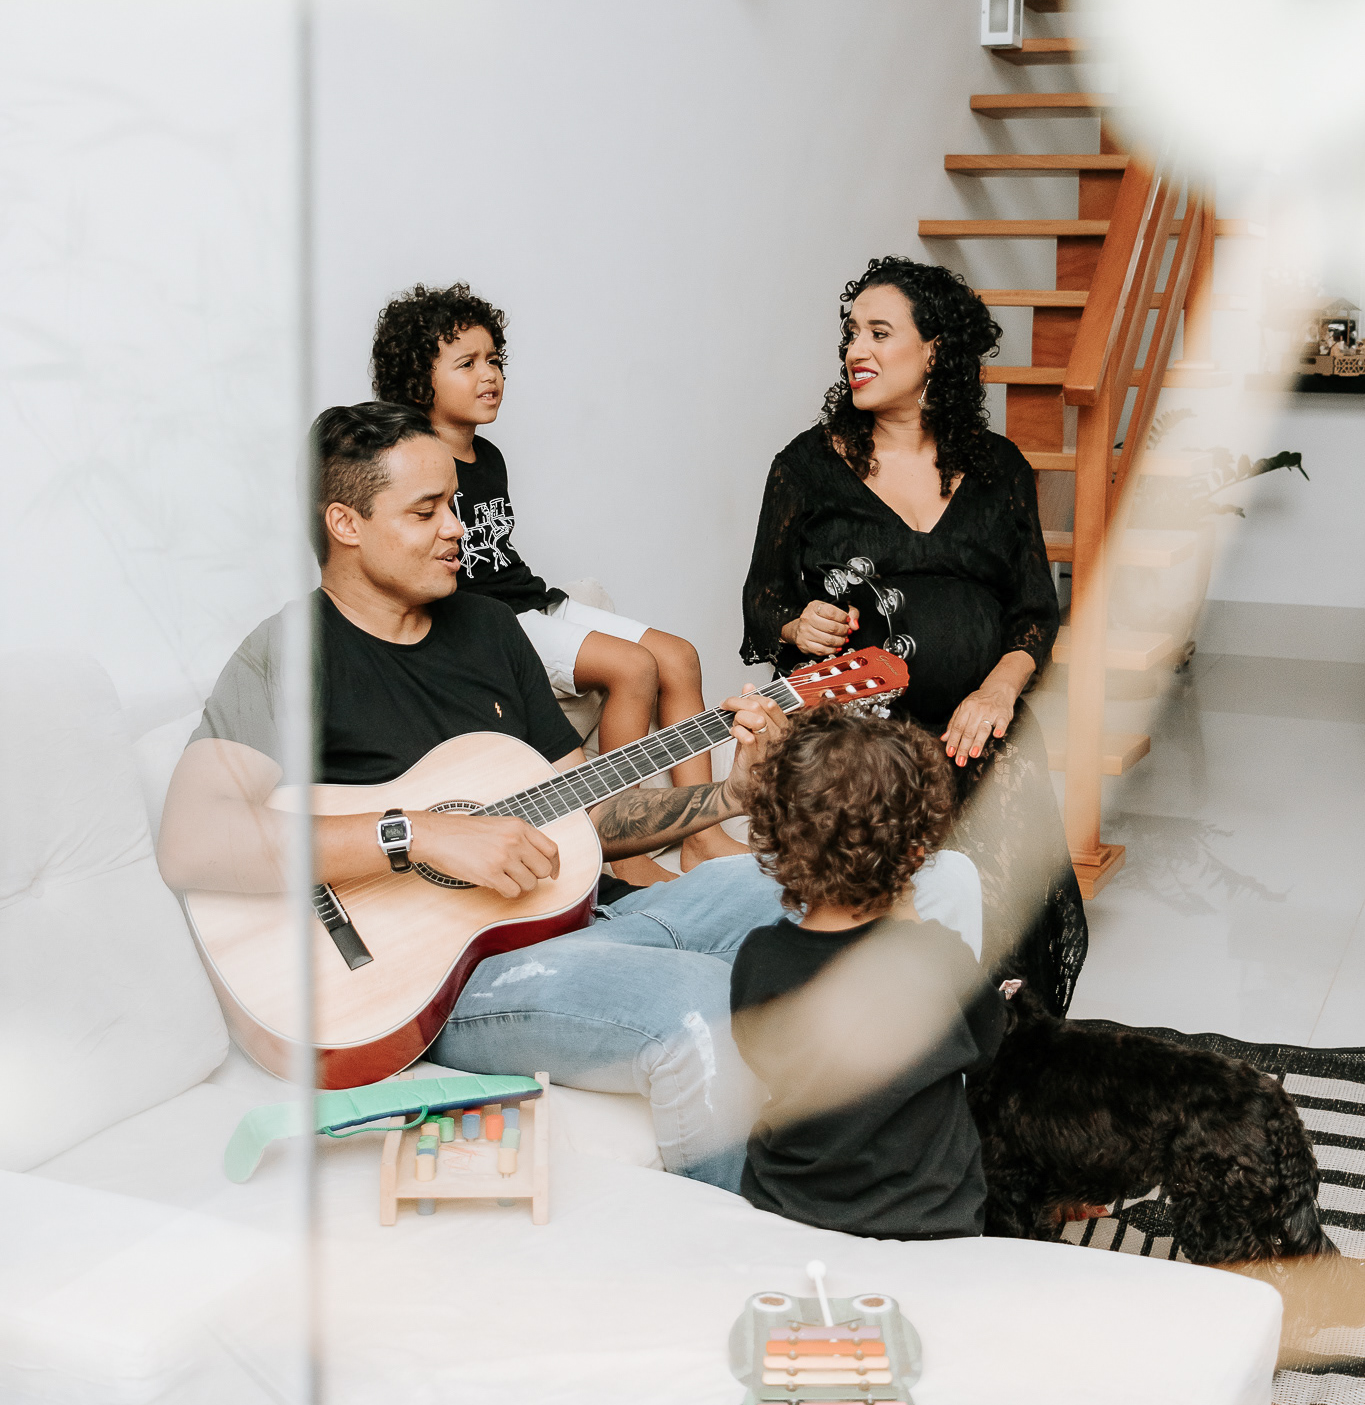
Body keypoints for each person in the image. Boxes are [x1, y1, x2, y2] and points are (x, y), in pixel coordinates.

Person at [157, 401, 982, 1190]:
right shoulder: (289, 655)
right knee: (698, 1005)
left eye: (454, 504)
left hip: (602, 915)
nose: (458, 529)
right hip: (453, 982)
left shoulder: (487, 629)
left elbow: (583, 814)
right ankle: (756, 1256)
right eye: (426, 511)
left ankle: (932, 1183)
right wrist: (418, 834)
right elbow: (194, 840)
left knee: (932, 879)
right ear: (346, 523)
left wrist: (727, 797)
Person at [740, 254, 1087, 1015]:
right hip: (858, 739)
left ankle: (998, 1042)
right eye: (850, 333)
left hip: (974, 729)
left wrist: (996, 694)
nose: (854, 350)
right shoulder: (806, 466)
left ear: (933, 350)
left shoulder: (998, 468)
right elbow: (763, 602)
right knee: (881, 927)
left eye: (877, 332)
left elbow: (1035, 611)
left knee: (1002, 924)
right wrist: (799, 622)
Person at [370, 283, 740, 880]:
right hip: (491, 621)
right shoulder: (415, 466)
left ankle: (703, 835)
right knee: (633, 668)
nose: (489, 375)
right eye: (467, 363)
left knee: (679, 655)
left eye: (494, 360)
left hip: (534, 601)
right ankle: (623, 852)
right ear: (419, 381)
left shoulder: (489, 456)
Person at [731, 706, 1004, 1239]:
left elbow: (758, 1055)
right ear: (915, 854)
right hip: (926, 1218)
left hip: (786, 1206)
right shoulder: (937, 957)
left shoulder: (759, 955)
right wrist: (916, 923)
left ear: (780, 842)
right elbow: (988, 1044)